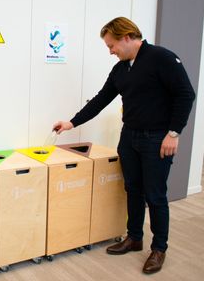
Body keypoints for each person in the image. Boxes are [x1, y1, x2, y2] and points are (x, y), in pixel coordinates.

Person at [53, 17, 195, 274]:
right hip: (129, 137)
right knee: (133, 189)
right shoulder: (121, 68)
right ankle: (134, 237)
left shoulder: (161, 58)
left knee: (155, 195)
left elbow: (186, 94)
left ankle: (159, 248)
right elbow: (101, 99)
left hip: (157, 139)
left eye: (112, 45)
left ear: (127, 36)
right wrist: (71, 123)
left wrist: (174, 133)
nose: (110, 51)